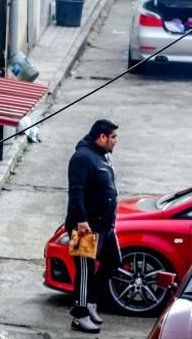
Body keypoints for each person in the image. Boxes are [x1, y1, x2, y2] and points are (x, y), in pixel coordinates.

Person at [66, 118, 121, 334]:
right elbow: (75, 191)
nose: (115, 141)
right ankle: (79, 316)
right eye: (113, 137)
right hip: (87, 227)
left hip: (105, 226)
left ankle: (89, 302)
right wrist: (81, 220)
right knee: (85, 271)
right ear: (102, 137)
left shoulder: (101, 156)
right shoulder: (82, 158)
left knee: (113, 262)